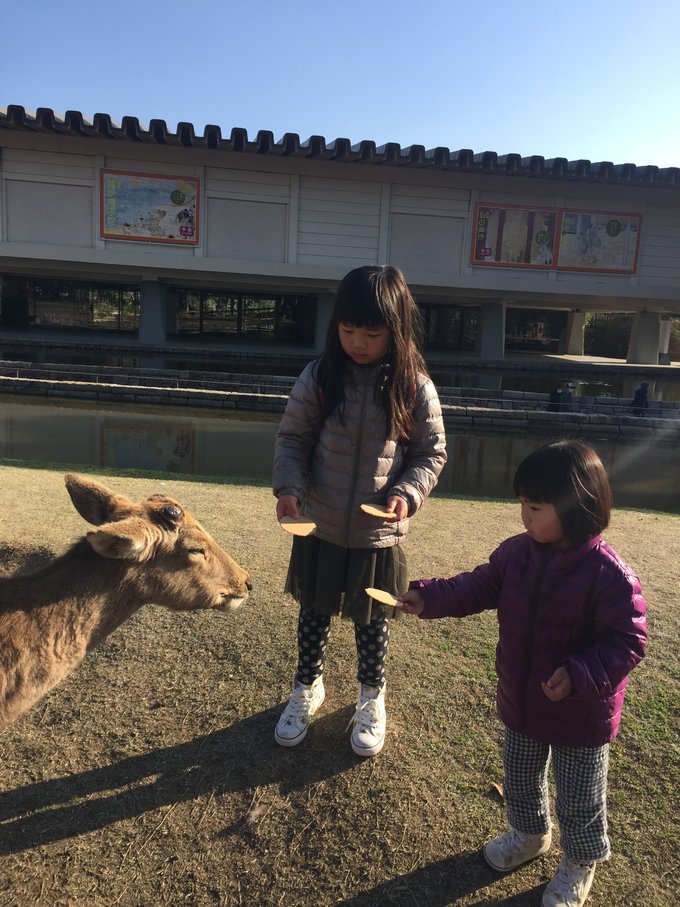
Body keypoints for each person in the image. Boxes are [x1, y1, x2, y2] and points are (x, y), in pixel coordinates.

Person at [399, 440, 647, 907]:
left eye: (534, 507)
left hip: (580, 715)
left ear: (576, 506)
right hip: (522, 699)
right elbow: (477, 586)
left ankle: (580, 860)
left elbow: (628, 641)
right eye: (522, 505)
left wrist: (577, 673)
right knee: (520, 778)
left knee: (579, 795)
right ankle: (530, 834)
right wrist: (429, 596)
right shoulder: (517, 554)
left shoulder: (608, 574)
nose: (524, 517)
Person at [272, 264, 447, 757]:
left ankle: (372, 697)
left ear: (397, 329)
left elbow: (430, 453)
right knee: (314, 612)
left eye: (372, 333)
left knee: (372, 622)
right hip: (321, 523)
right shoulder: (320, 376)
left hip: (376, 533)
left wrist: (407, 494)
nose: (358, 343)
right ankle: (307, 686)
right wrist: (289, 488)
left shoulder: (413, 387)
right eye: (349, 330)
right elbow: (293, 439)